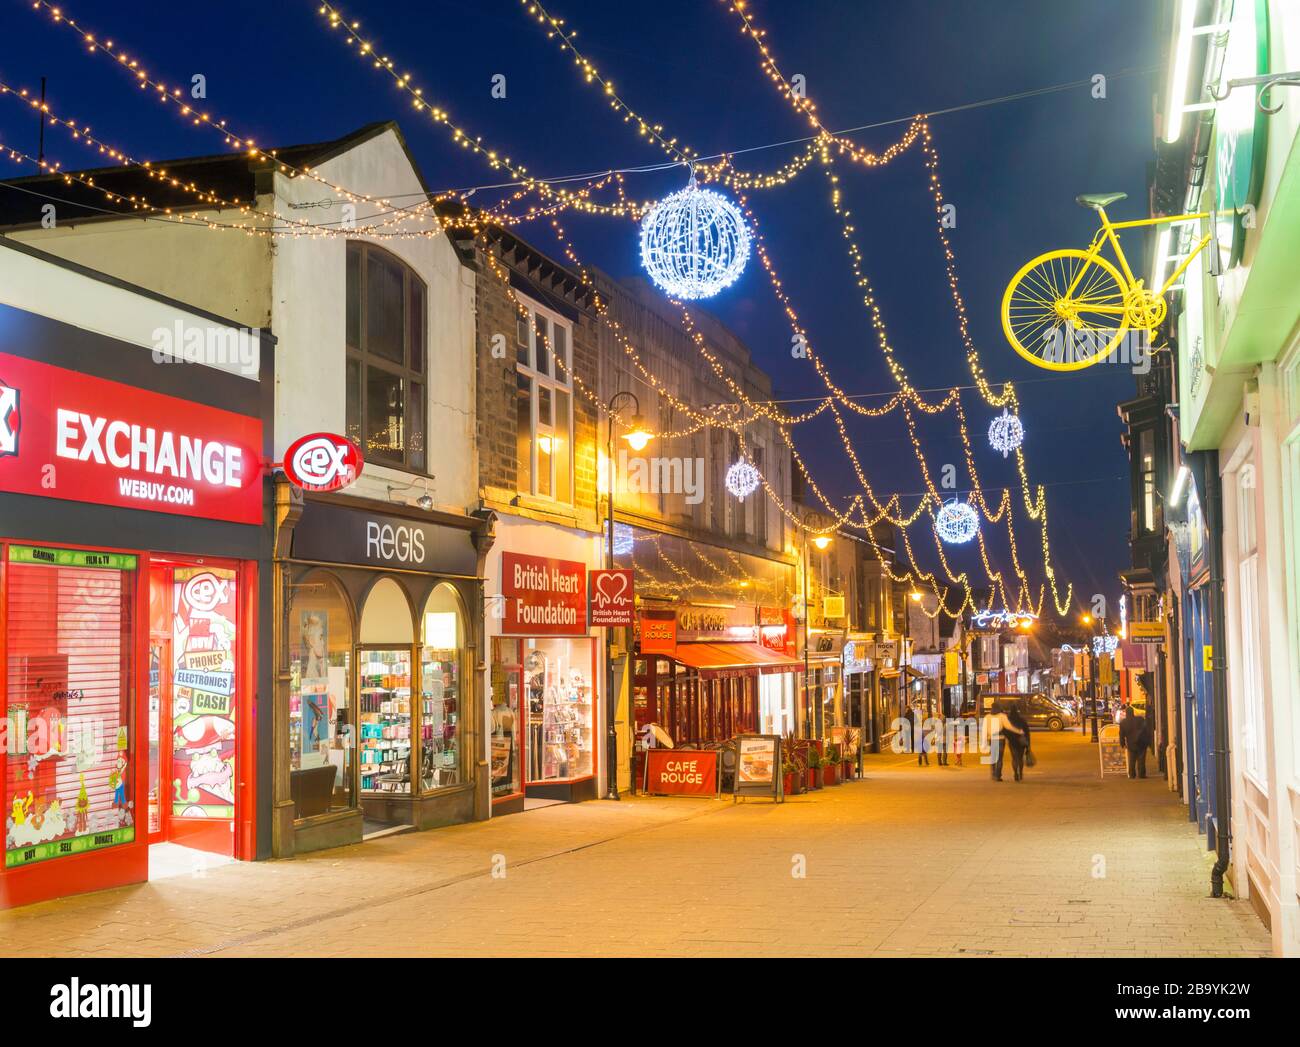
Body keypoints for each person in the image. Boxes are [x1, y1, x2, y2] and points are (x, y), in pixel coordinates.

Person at [981, 704, 1024, 781]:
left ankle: (993, 773)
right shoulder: (1002, 716)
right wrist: (1019, 731)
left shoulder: (987, 717)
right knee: (999, 758)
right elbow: (1009, 727)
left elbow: (984, 730)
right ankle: (998, 776)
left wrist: (984, 742)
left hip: (992, 739)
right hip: (1000, 739)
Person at [1119, 709, 1151, 779]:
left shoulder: (1123, 723)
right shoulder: (1140, 719)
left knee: (1132, 759)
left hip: (1131, 743)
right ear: (1133, 712)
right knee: (1141, 759)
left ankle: (1132, 774)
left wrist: (1122, 743)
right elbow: (1146, 730)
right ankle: (1141, 774)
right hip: (1141, 742)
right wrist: (1148, 741)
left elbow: (1121, 735)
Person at [1004, 702, 1032, 782]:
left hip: (1012, 742)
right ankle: (1021, 772)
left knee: (1014, 758)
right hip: (1021, 741)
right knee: (1020, 758)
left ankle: (1015, 773)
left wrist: (1008, 738)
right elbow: (1027, 732)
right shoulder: (1022, 720)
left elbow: (1006, 731)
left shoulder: (1008, 720)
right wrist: (1028, 745)